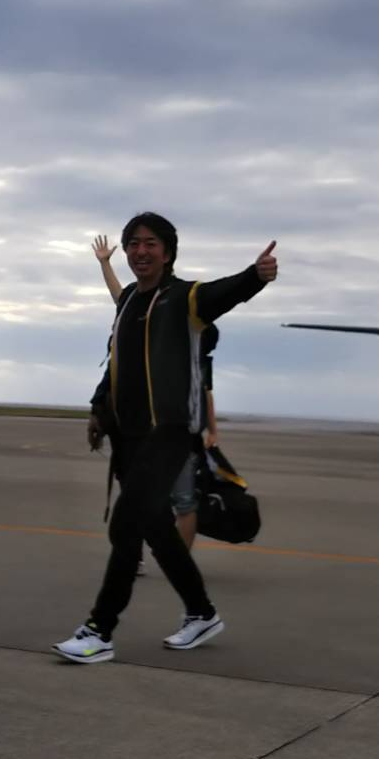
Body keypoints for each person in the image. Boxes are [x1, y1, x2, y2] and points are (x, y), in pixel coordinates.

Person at [53, 215, 277, 664]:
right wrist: (99, 411)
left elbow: (223, 292)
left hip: (172, 432)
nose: (140, 251)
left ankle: (100, 629)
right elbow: (114, 361)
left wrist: (255, 276)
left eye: (150, 243)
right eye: (133, 243)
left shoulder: (185, 298)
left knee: (125, 524)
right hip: (130, 436)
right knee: (155, 525)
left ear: (168, 251)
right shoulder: (129, 302)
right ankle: (201, 611)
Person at [93, 234, 217, 565]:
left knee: (184, 499)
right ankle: (141, 555)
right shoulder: (142, 322)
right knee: (147, 497)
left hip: (178, 431)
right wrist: (105, 263)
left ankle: (177, 561)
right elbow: (123, 297)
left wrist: (210, 431)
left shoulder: (190, 348)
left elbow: (204, 391)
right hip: (143, 431)